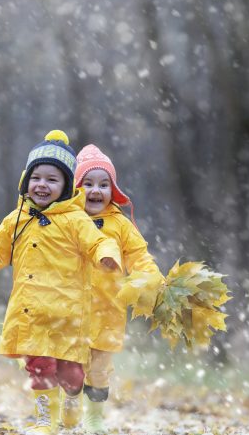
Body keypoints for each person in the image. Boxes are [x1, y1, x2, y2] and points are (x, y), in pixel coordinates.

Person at [0, 131, 122, 435]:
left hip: (67, 316)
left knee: (72, 376)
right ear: (26, 181)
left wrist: (106, 254)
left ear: (65, 188)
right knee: (40, 371)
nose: (43, 185)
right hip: (32, 316)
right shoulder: (17, 220)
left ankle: (72, 399)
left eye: (53, 180)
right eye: (37, 178)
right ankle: (44, 421)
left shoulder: (75, 220)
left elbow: (97, 242)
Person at [73, 144, 164, 433]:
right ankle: (68, 398)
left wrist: (151, 279)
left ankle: (94, 416)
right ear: (75, 187)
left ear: (113, 190)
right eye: (87, 184)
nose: (95, 191)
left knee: (98, 371)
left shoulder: (120, 225)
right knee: (70, 366)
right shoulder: (67, 221)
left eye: (104, 184)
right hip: (69, 309)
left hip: (107, 309)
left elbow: (138, 255)